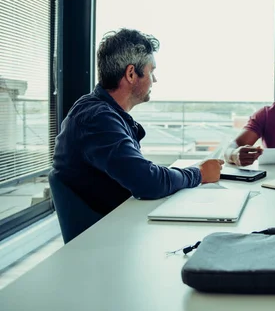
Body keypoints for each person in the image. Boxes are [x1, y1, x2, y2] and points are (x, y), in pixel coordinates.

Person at [53, 29, 224, 216]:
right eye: (152, 71)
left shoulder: (101, 112)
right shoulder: (96, 118)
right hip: (111, 232)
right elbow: (147, 182)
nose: (155, 80)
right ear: (131, 74)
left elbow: (139, 173)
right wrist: (199, 173)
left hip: (119, 220)